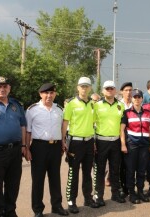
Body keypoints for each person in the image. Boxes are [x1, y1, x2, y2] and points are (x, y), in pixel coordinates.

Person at [25, 83, 69, 217]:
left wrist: (62, 142)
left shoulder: (60, 110)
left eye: (51, 93)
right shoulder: (32, 110)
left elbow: (62, 129)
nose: (49, 96)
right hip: (39, 147)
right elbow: (28, 131)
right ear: (40, 94)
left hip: (55, 147)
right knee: (38, 180)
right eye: (46, 93)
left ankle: (57, 206)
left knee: (55, 178)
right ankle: (38, 209)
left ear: (55, 94)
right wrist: (27, 148)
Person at [0, 76, 27, 217]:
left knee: (13, 184)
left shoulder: (17, 105)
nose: (2, 89)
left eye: (5, 86)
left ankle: (10, 211)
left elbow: (23, 125)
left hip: (15, 151)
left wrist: (23, 145)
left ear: (9, 89)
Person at [62, 77, 99, 214]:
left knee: (87, 172)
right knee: (73, 172)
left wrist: (94, 142)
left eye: (87, 86)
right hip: (75, 142)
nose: (84, 88)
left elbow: (93, 123)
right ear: (78, 88)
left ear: (90, 88)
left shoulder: (92, 104)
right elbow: (65, 123)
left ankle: (88, 198)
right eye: (82, 86)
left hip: (89, 141)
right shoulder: (71, 103)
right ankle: (71, 201)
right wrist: (63, 140)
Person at [93, 80, 126, 206]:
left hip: (116, 142)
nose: (109, 90)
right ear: (103, 91)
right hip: (101, 141)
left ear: (115, 90)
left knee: (115, 169)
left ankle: (115, 194)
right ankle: (99, 196)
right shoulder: (97, 105)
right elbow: (91, 124)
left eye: (112, 88)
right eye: (107, 88)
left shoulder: (120, 105)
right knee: (100, 170)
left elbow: (122, 127)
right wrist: (94, 141)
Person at [121, 89, 150, 204]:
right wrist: (123, 144)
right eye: (134, 97)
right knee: (131, 170)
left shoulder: (147, 113)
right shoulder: (126, 112)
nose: (136, 99)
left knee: (141, 170)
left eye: (138, 97)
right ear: (132, 99)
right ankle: (132, 193)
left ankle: (140, 192)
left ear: (141, 99)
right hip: (132, 146)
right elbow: (121, 130)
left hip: (144, 146)